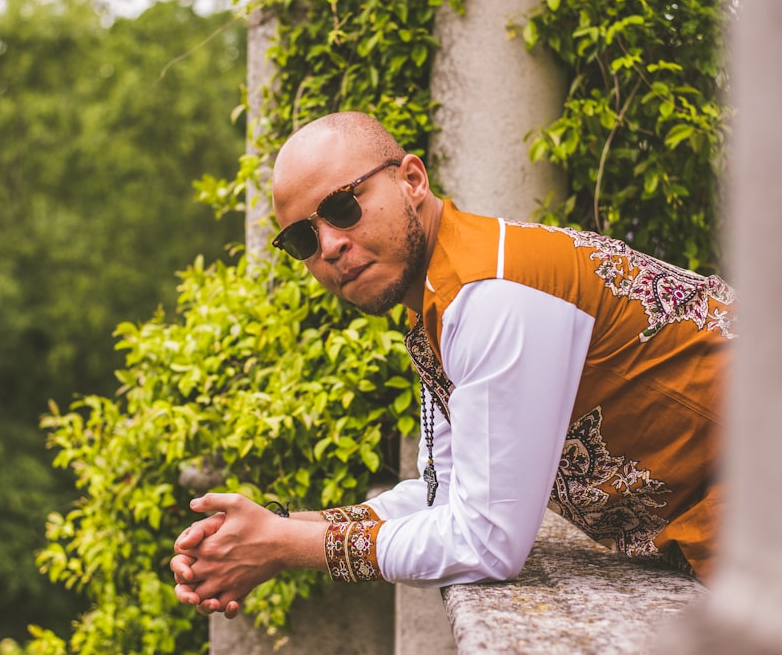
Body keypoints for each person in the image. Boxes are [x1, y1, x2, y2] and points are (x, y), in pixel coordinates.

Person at [170, 110, 736, 618]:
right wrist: (277, 531)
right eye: (302, 238)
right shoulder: (442, 298)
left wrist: (285, 546)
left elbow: (487, 542)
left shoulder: (490, 293)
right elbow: (443, 494)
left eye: (342, 207)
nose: (330, 246)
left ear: (411, 180)